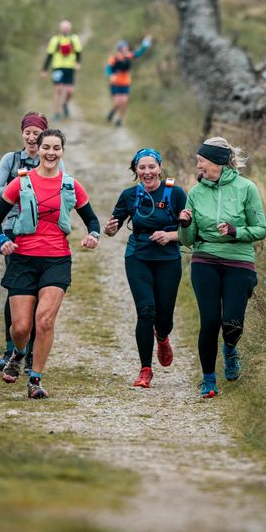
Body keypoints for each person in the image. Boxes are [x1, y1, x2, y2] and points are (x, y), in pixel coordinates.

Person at [0, 128, 100, 399]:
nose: (51, 153)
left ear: (62, 151)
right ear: (37, 150)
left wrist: (93, 235)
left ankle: (35, 379)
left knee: (45, 321)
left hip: (56, 259)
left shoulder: (70, 185)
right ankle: (19, 351)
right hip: (23, 258)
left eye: (56, 148)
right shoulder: (21, 182)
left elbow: (92, 219)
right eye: (46, 147)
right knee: (22, 327)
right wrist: (2, 239)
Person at [178, 137, 266, 399]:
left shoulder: (246, 188)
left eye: (202, 162)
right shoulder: (196, 193)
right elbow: (188, 240)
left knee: (232, 322)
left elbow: (261, 229)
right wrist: (184, 225)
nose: (199, 167)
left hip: (239, 261)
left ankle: (230, 349)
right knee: (209, 321)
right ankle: (208, 380)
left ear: (217, 162)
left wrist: (235, 230)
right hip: (205, 258)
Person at [0, 112, 64, 373]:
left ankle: (31, 351)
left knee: (38, 295)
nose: (31, 138)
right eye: (28, 132)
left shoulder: (51, 159)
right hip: (12, 229)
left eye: (36, 133)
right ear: (22, 134)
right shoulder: (10, 160)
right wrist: (21, 184)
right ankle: (12, 348)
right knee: (17, 291)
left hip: (43, 233)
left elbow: (64, 192)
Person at [104, 148, 186, 388]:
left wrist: (170, 235)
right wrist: (109, 230)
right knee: (145, 312)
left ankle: (162, 337)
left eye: (152, 167)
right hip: (138, 257)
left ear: (160, 168)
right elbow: (113, 228)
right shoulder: (129, 195)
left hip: (168, 259)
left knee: (164, 318)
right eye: (142, 167)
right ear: (136, 171)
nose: (147, 172)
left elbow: (191, 231)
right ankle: (145, 370)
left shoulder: (176, 193)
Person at [105, 35, 152, 126]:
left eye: (126, 47)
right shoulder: (114, 57)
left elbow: (139, 53)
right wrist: (111, 75)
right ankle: (113, 111)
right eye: (124, 47)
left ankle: (119, 120)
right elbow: (108, 68)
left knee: (125, 102)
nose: (126, 48)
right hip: (115, 83)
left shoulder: (128, 55)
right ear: (120, 49)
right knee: (118, 102)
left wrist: (145, 43)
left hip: (125, 83)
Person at [41, 20, 83, 121]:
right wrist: (44, 69)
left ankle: (65, 104)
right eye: (63, 27)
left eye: (67, 27)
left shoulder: (74, 39)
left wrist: (78, 63)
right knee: (58, 89)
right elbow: (49, 55)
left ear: (70, 28)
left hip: (70, 68)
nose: (65, 29)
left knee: (70, 91)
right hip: (58, 67)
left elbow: (78, 52)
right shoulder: (55, 40)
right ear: (60, 29)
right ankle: (57, 113)